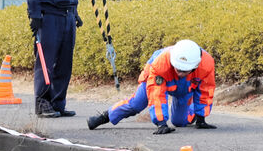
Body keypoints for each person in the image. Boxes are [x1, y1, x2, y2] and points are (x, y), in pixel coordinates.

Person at [86, 40, 217, 134]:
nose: (179, 73)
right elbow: (157, 94)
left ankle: (194, 114)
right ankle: (105, 116)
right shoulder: (161, 63)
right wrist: (161, 123)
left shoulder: (206, 64)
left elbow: (206, 91)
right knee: (136, 104)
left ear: (194, 67)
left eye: (184, 70)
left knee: (179, 122)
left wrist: (201, 119)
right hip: (158, 78)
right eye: (177, 68)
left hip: (186, 86)